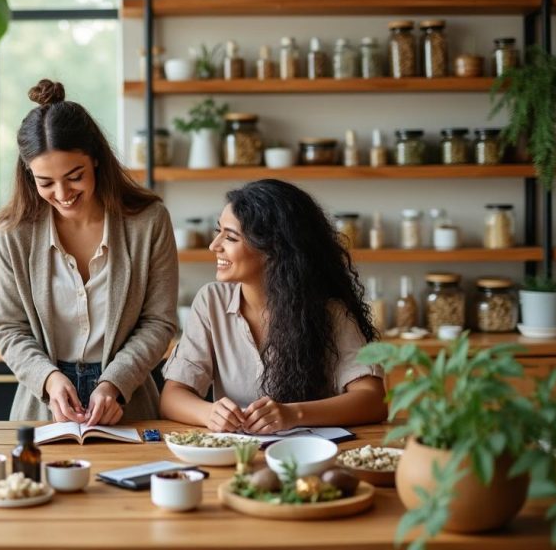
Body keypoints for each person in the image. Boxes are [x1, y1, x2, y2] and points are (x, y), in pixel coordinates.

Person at [0, 79, 178, 426]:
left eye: (75, 176)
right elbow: (9, 328)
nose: (62, 194)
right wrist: (49, 380)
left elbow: (159, 322)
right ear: (29, 176)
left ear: (96, 160)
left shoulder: (149, 222)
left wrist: (114, 382)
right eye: (45, 183)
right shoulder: (13, 234)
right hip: (42, 407)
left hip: (128, 401)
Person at [159, 179, 387, 434]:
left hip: (312, 451)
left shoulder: (330, 311)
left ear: (273, 249)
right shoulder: (211, 302)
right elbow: (172, 397)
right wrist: (208, 413)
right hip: (237, 452)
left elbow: (374, 400)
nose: (214, 245)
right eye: (218, 231)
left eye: (230, 237)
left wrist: (294, 414)